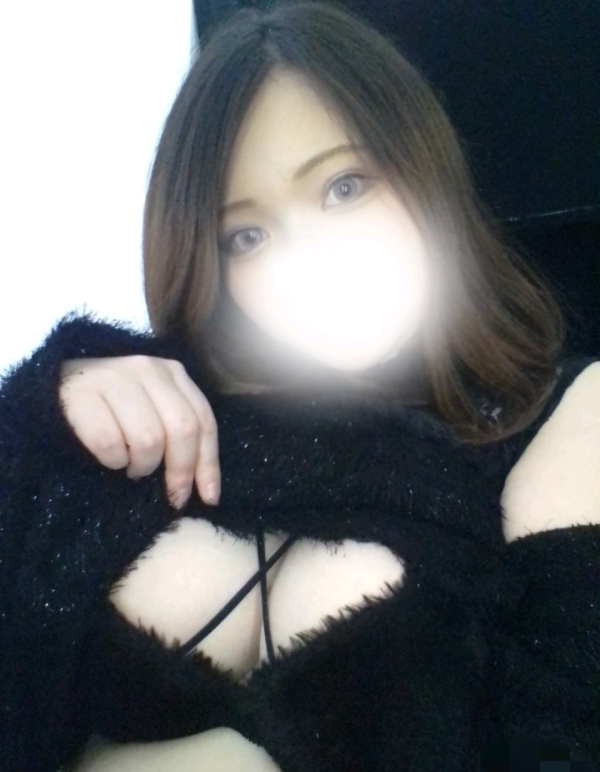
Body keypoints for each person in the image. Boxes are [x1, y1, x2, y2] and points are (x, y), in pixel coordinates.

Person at [1, 1, 598, 770]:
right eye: (246, 235)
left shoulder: (557, 422)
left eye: (344, 187)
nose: (308, 253)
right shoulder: (163, 418)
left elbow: (563, 738)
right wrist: (39, 416)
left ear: (425, 169)